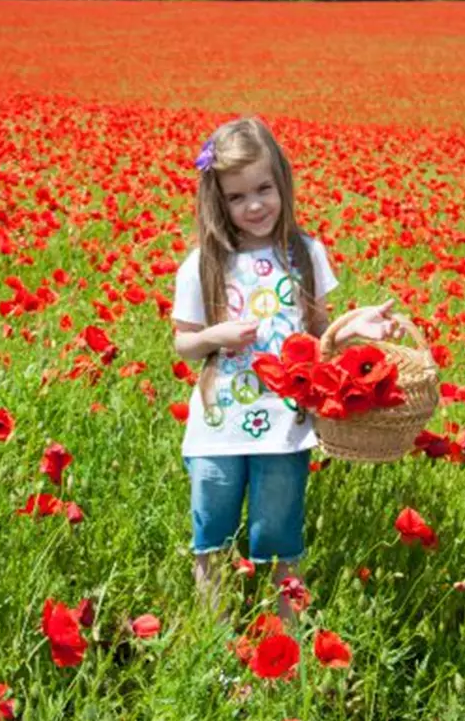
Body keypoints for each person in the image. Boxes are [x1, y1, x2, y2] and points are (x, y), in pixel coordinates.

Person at [171, 116, 400, 623]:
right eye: (236, 197)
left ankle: (285, 638)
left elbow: (320, 339)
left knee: (278, 539)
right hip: (216, 429)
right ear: (217, 200)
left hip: (285, 430)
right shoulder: (203, 263)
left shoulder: (305, 253)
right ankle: (217, 641)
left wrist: (354, 323)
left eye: (263, 189)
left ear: (282, 183)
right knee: (211, 538)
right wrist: (216, 337)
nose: (253, 206)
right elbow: (183, 342)